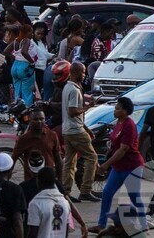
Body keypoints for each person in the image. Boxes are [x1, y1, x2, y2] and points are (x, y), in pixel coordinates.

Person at [93, 97, 146, 233]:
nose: (115, 111)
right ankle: (101, 223)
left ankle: (144, 225)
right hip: (119, 166)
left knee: (134, 196)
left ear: (125, 111)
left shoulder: (129, 125)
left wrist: (105, 165)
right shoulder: (119, 122)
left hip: (132, 166)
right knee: (107, 193)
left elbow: (123, 150)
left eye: (117, 108)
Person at [61, 62, 99, 202]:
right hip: (75, 130)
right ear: (76, 72)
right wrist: (87, 107)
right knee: (92, 157)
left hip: (68, 130)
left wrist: (87, 128)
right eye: (83, 72)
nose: (84, 75)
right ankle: (86, 190)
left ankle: (66, 191)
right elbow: (72, 112)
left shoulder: (68, 87)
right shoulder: (74, 90)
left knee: (70, 162)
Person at [11, 108, 63, 181]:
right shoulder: (23, 139)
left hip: (49, 180)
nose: (39, 121)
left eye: (41, 119)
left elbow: (58, 159)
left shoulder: (52, 135)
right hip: (30, 181)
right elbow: (14, 158)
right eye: (36, 119)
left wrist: (60, 181)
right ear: (30, 121)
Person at [26, 167, 73, 238]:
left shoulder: (36, 203)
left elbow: (33, 233)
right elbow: (65, 231)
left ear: (38, 181)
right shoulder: (65, 203)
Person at [8, 23, 38, 106]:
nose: (32, 34)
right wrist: (32, 62)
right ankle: (27, 111)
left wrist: (15, 57)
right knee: (27, 93)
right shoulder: (26, 40)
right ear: (26, 33)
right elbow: (24, 51)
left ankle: (17, 109)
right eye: (31, 32)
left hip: (15, 66)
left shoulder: (15, 41)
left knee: (17, 90)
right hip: (25, 67)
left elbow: (5, 51)